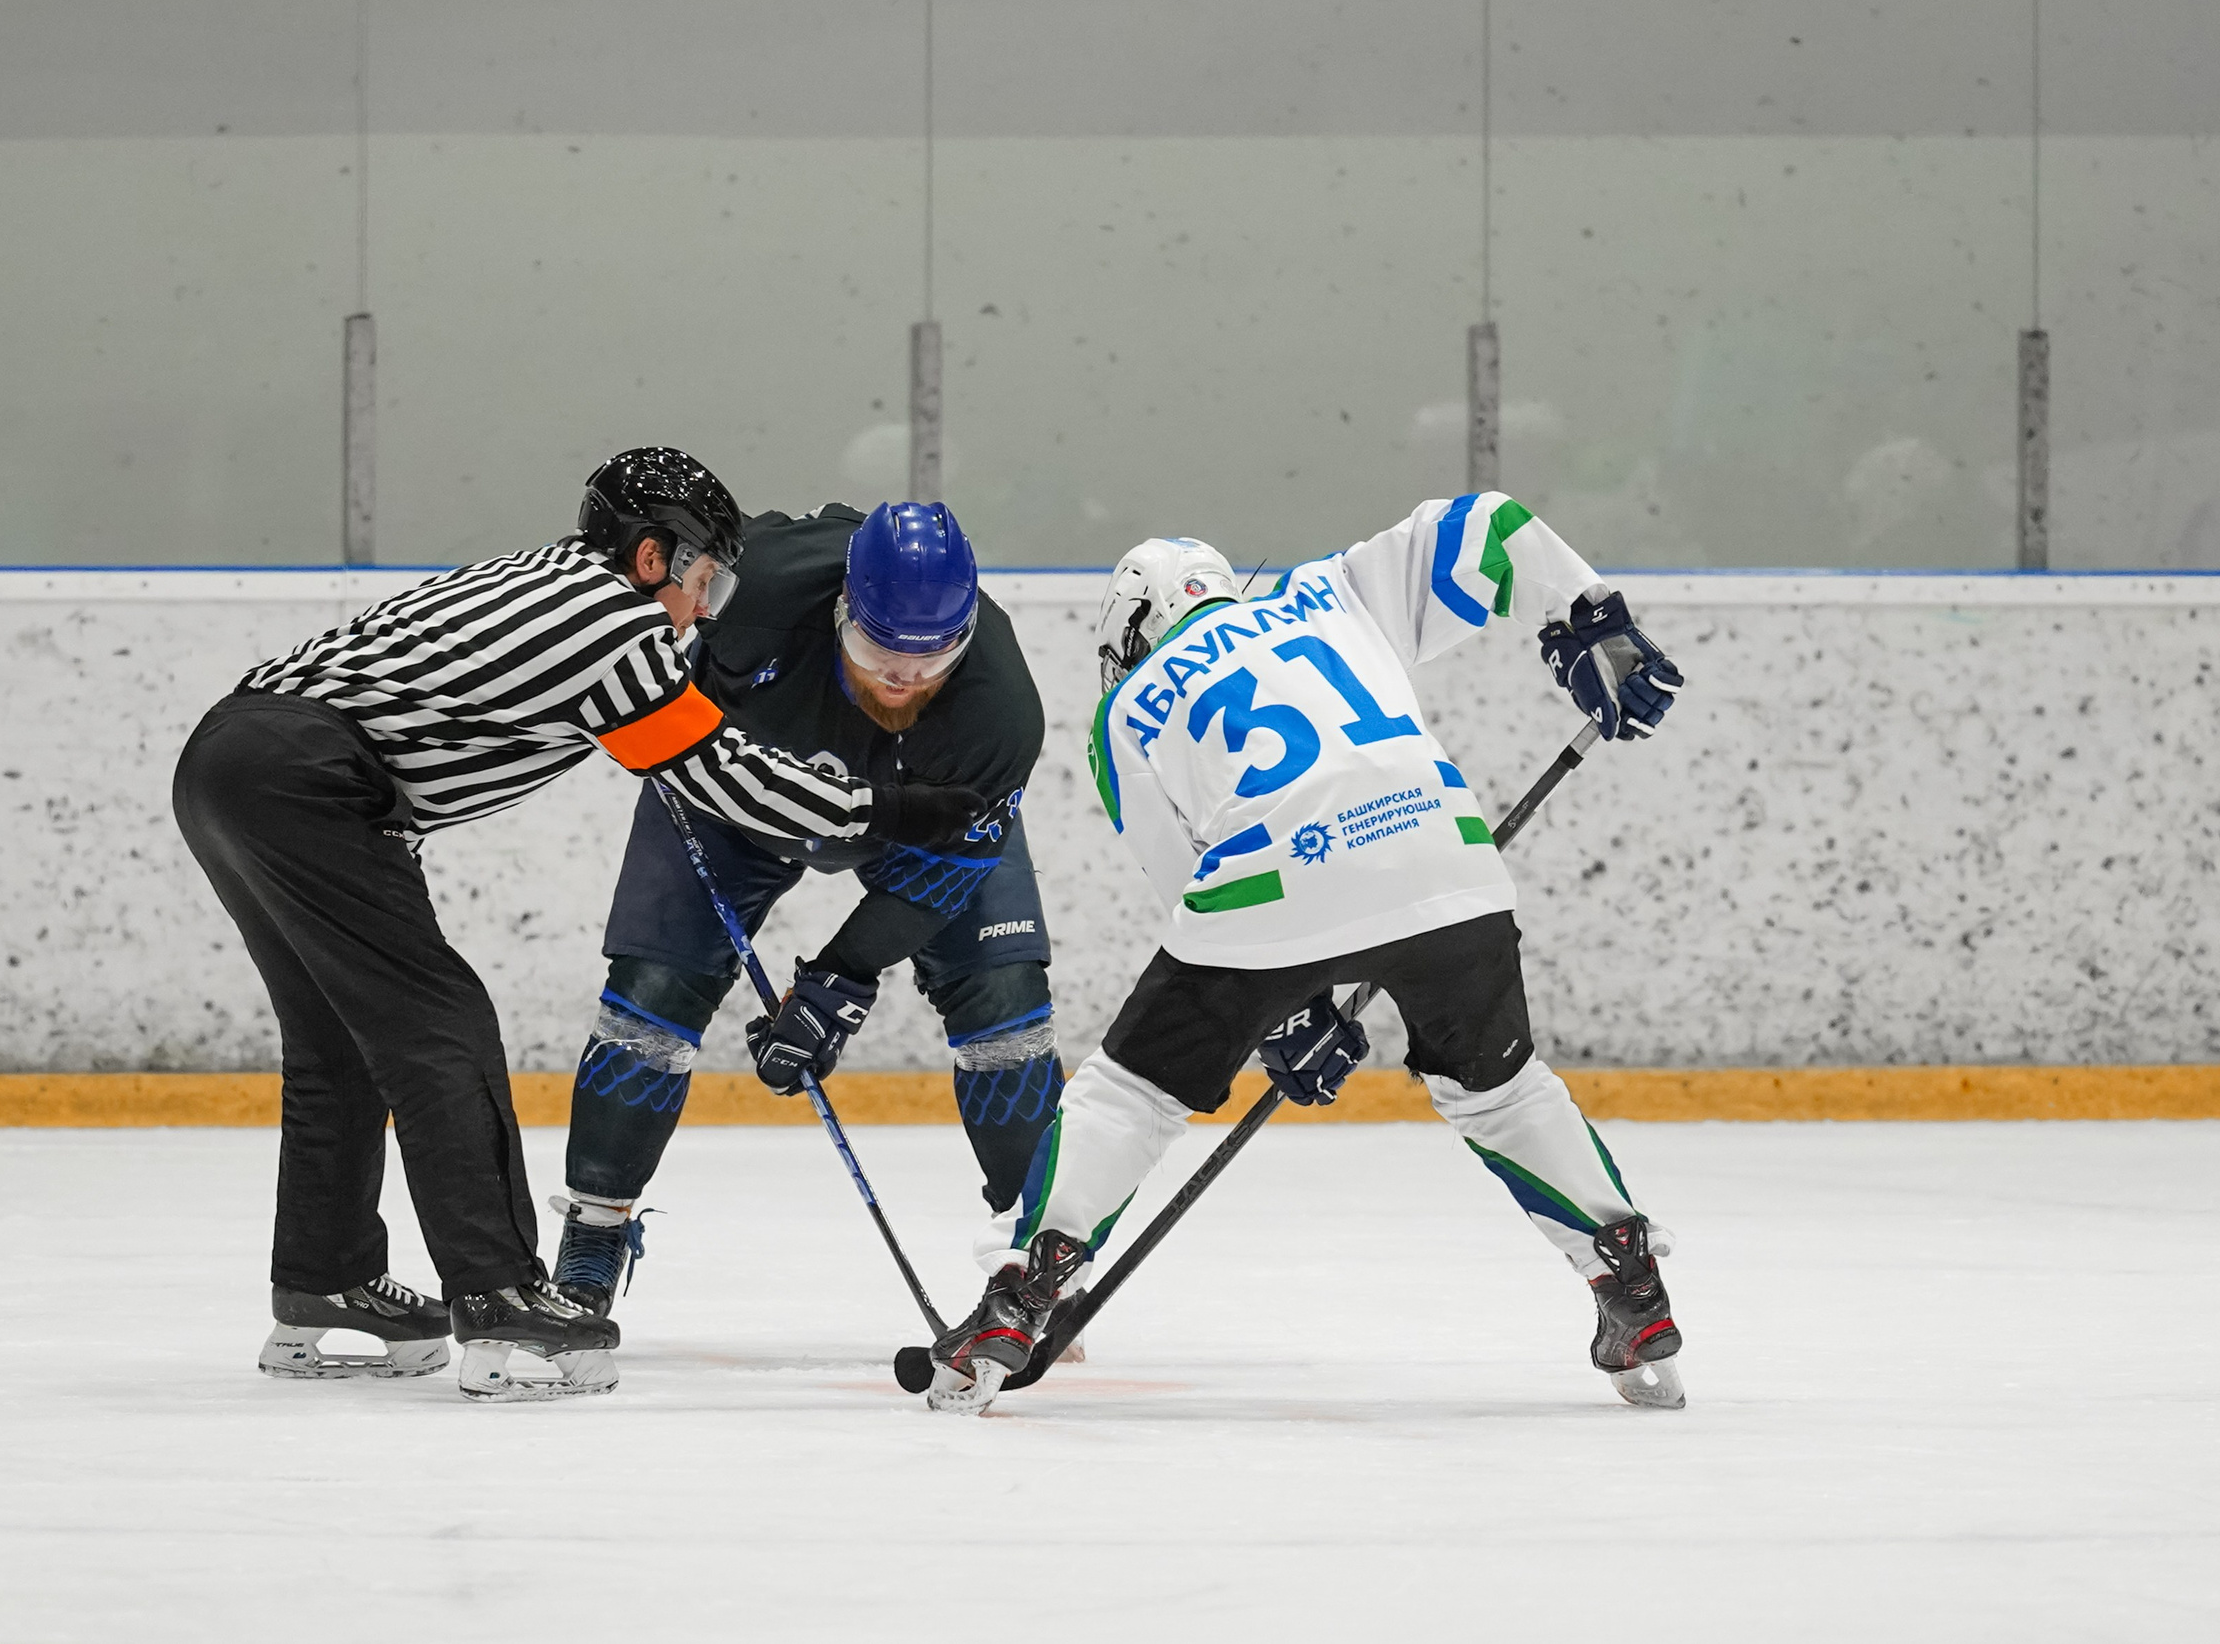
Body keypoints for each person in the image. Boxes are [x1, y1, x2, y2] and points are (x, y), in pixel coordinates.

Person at [172, 449, 985, 1402]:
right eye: (705, 581)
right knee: (444, 1027)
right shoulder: (615, 624)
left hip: (231, 762)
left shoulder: (547, 578)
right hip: (306, 783)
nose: (704, 608)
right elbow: (719, 775)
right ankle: (501, 1293)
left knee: (340, 1042)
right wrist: (881, 811)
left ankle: (324, 1280)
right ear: (652, 559)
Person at [925, 492, 1689, 1414]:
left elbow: (1185, 882)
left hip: (1266, 884)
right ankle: (1628, 1282)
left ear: (1135, 628)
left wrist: (1286, 1011)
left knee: (1132, 1092)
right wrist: (1591, 622)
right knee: (1503, 1087)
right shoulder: (1327, 591)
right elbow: (1491, 524)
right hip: (1446, 851)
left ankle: (1023, 1289)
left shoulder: (1124, 710)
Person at [547, 501, 1062, 1348]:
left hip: (929, 821)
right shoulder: (759, 587)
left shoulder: (1001, 711)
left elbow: (945, 878)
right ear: (840, 613)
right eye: (877, 652)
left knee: (1003, 999)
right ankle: (592, 1238)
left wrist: (842, 975)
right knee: (652, 993)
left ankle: (1039, 1266)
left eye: (930, 659)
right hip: (736, 802)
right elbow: (630, 611)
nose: (900, 679)